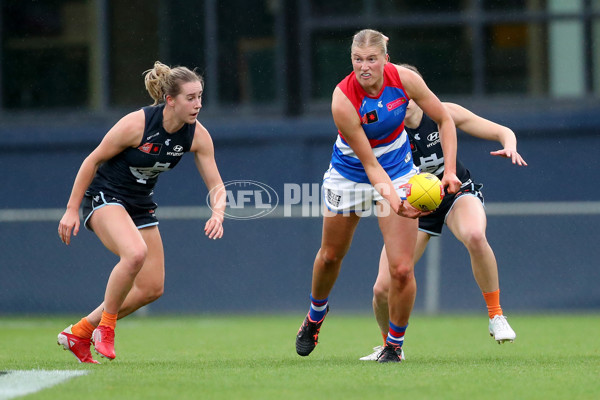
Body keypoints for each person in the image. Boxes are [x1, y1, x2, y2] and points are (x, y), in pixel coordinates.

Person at [295, 30, 462, 363]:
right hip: (350, 175)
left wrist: (450, 171)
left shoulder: (404, 80)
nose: (364, 67)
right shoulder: (342, 99)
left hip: (399, 171)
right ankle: (315, 315)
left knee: (401, 270)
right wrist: (394, 199)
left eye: (372, 59)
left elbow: (444, 118)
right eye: (358, 59)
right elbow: (369, 164)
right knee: (330, 255)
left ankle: (394, 346)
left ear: (386, 59)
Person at [57, 61, 226, 363]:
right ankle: (105, 330)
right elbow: (91, 161)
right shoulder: (137, 124)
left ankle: (79, 332)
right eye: (191, 98)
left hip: (139, 204)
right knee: (135, 253)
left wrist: (218, 213)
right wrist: (71, 209)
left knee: (151, 288)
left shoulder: (196, 135)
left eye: (200, 96)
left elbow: (217, 185)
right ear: (170, 100)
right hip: (104, 196)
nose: (198, 104)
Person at [359, 64, 527, 361]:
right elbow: (372, 171)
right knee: (382, 289)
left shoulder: (442, 113)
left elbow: (502, 131)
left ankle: (496, 315)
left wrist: (509, 145)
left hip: (454, 192)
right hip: (412, 207)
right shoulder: (384, 130)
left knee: (475, 235)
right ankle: (390, 348)